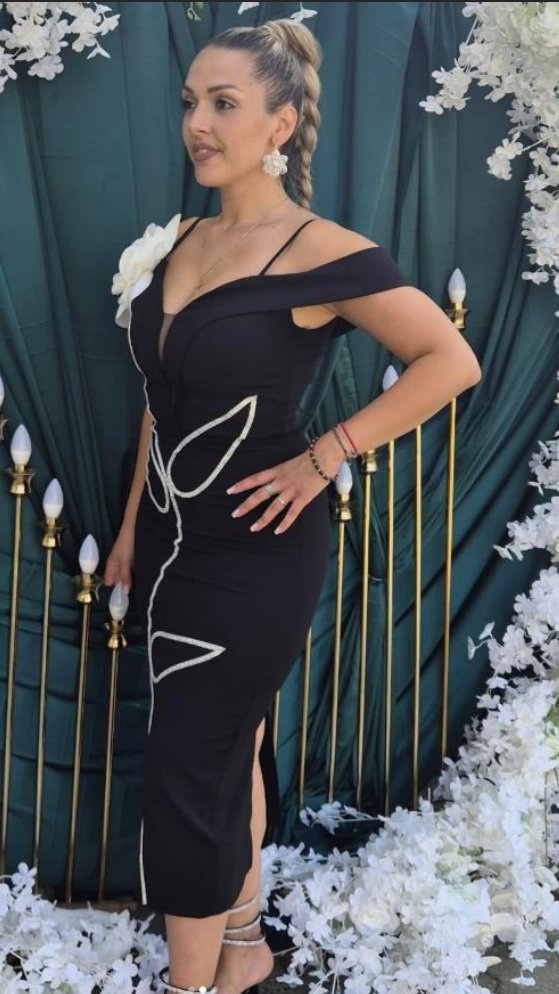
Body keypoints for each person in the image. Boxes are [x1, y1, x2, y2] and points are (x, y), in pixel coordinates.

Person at [104, 17, 482, 994]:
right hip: (172, 544)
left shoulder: (324, 252)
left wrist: (326, 456)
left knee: (189, 769)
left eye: (223, 103)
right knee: (226, 751)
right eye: (190, 101)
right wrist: (135, 527)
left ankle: (188, 988)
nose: (198, 121)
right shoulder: (181, 240)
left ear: (280, 123)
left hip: (258, 549)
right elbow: (159, 399)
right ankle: (241, 953)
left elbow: (449, 360)